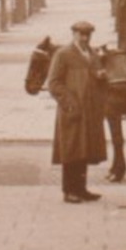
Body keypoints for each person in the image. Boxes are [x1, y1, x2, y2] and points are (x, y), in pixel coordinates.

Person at [45, 20, 109, 203]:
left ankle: (81, 189)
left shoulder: (92, 53)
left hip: (89, 111)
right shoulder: (63, 54)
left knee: (84, 150)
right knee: (71, 150)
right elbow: (54, 83)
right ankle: (69, 191)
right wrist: (69, 103)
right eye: (81, 34)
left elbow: (98, 75)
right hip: (72, 110)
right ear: (73, 34)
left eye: (88, 34)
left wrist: (101, 77)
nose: (85, 38)